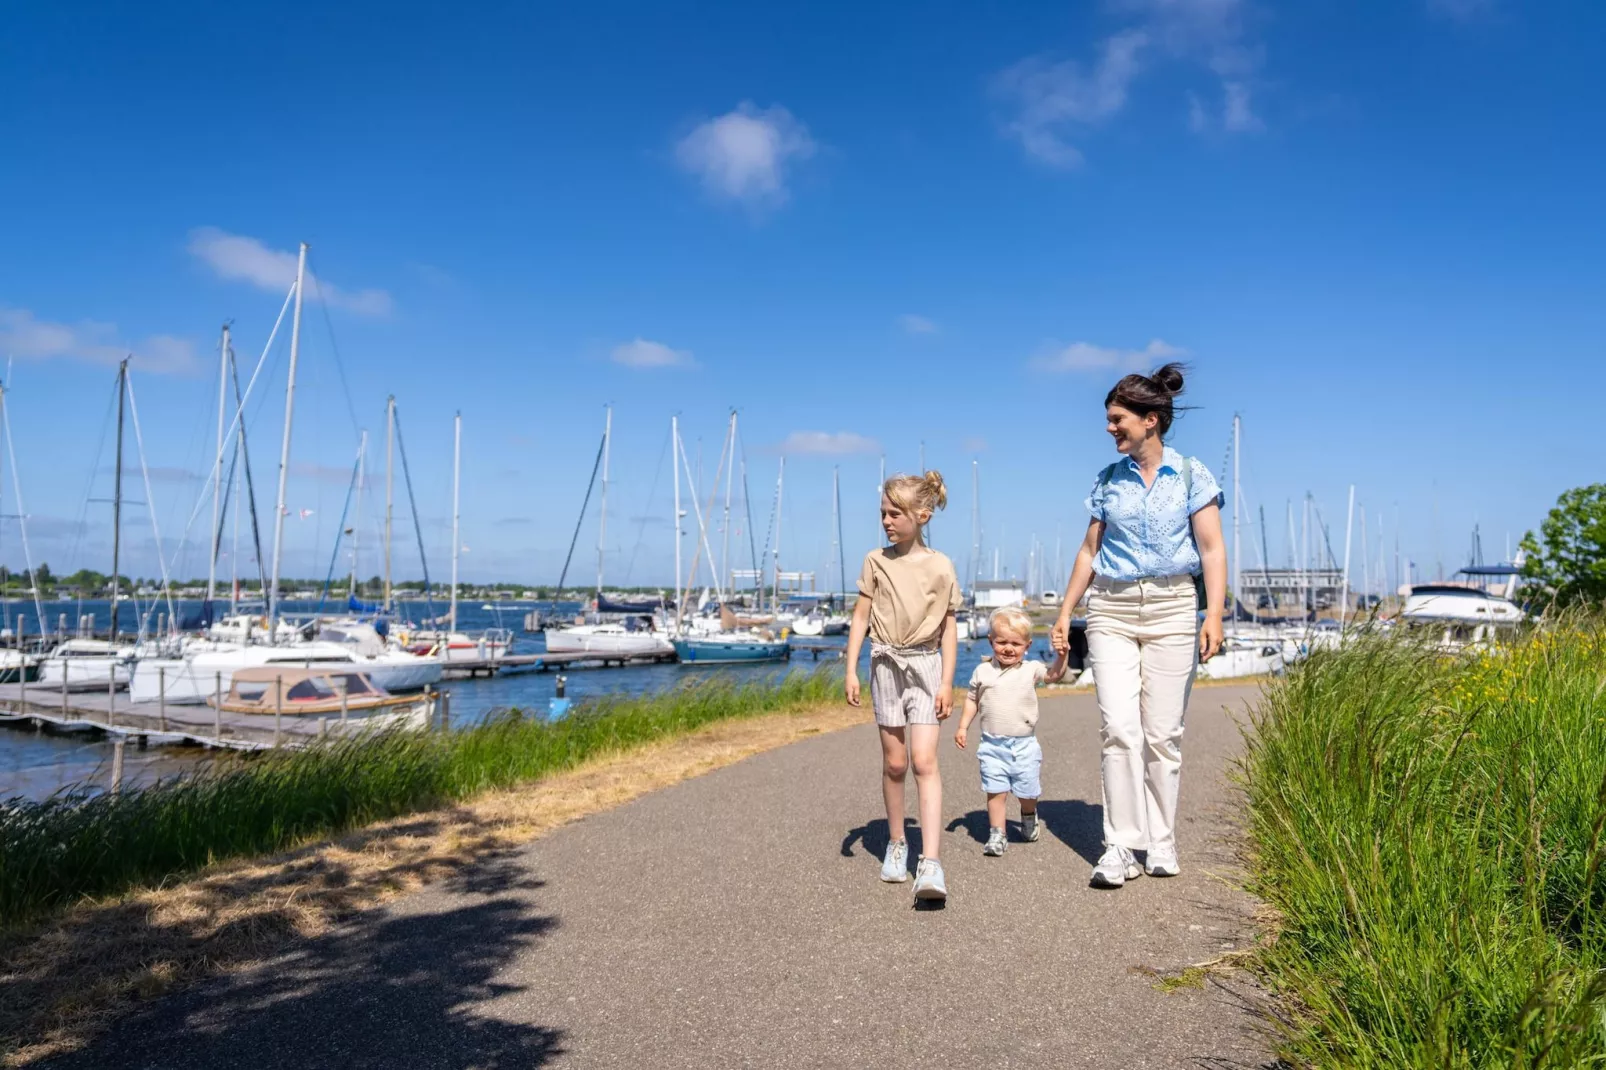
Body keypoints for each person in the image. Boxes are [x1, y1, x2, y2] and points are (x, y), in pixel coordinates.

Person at [1050, 363, 1226, 889]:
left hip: (1174, 606)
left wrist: (1212, 613)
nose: (1109, 428)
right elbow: (1089, 551)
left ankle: (1161, 838)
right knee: (1120, 730)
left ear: (1150, 420)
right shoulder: (1108, 481)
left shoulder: (1192, 476)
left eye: (1116, 419)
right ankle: (1121, 846)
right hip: (1112, 608)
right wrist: (1064, 613)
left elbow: (1213, 550)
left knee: (1162, 734)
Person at [845, 470, 961, 902]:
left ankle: (930, 863)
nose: (887, 521)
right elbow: (861, 616)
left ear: (922, 515)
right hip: (884, 666)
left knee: (924, 761)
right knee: (895, 764)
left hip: (926, 667)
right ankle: (897, 841)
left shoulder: (941, 565)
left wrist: (949, 681)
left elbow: (949, 626)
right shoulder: (875, 560)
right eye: (883, 513)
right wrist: (851, 668)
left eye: (895, 513)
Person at [953, 606, 1068, 856]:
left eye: (1015, 643)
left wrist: (1061, 656)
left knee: (1027, 791)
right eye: (1002, 642)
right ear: (990, 640)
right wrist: (963, 726)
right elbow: (972, 699)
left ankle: (1028, 815)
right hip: (992, 744)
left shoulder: (1031, 669)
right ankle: (997, 833)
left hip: (1024, 745)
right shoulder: (982, 671)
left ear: (1027, 646)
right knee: (995, 791)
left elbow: (1054, 675)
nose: (1008, 648)